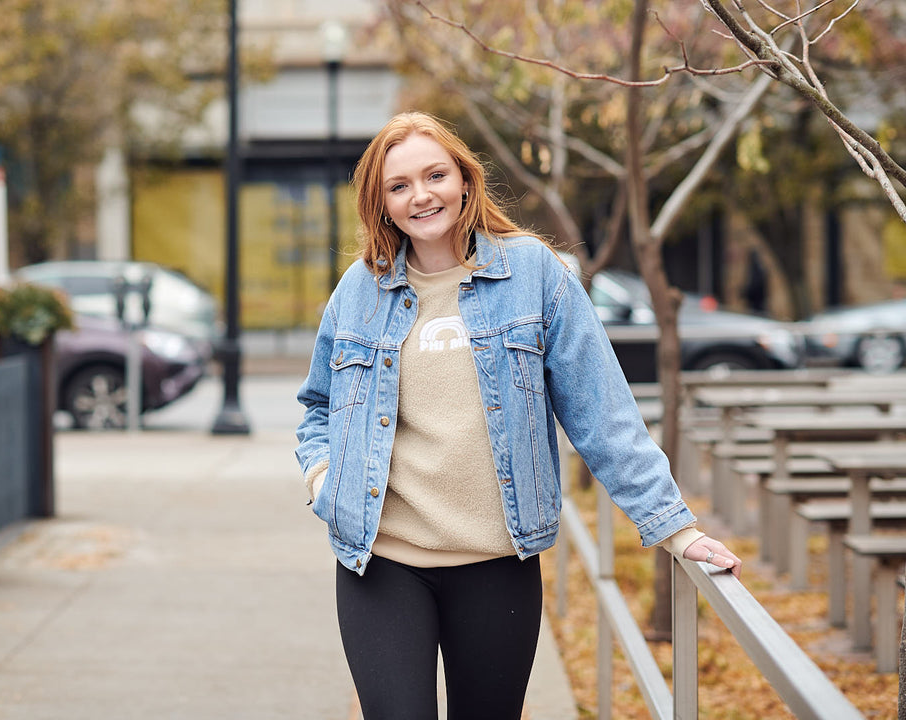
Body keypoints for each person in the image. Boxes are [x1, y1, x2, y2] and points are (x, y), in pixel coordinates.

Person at [294, 111, 741, 720]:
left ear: (465, 181)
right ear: (381, 204)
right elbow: (317, 405)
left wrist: (676, 530)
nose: (421, 196)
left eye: (435, 175)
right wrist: (323, 479)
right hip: (382, 561)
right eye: (399, 186)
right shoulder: (358, 290)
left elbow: (603, 415)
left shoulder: (536, 275)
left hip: (497, 565)